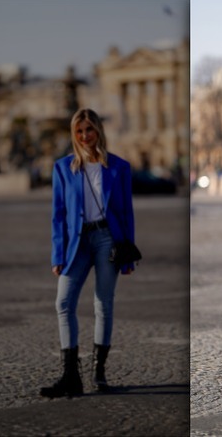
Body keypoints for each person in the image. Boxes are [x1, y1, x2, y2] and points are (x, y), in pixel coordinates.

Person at [40, 108, 136, 398]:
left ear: (98, 131)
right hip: (77, 242)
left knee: (103, 304)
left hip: (108, 238)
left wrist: (128, 254)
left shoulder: (119, 167)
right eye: (79, 131)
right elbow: (57, 215)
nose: (84, 136)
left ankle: (99, 372)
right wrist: (58, 254)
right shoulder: (63, 168)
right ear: (74, 134)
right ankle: (71, 376)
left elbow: (126, 213)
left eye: (89, 130)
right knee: (64, 302)